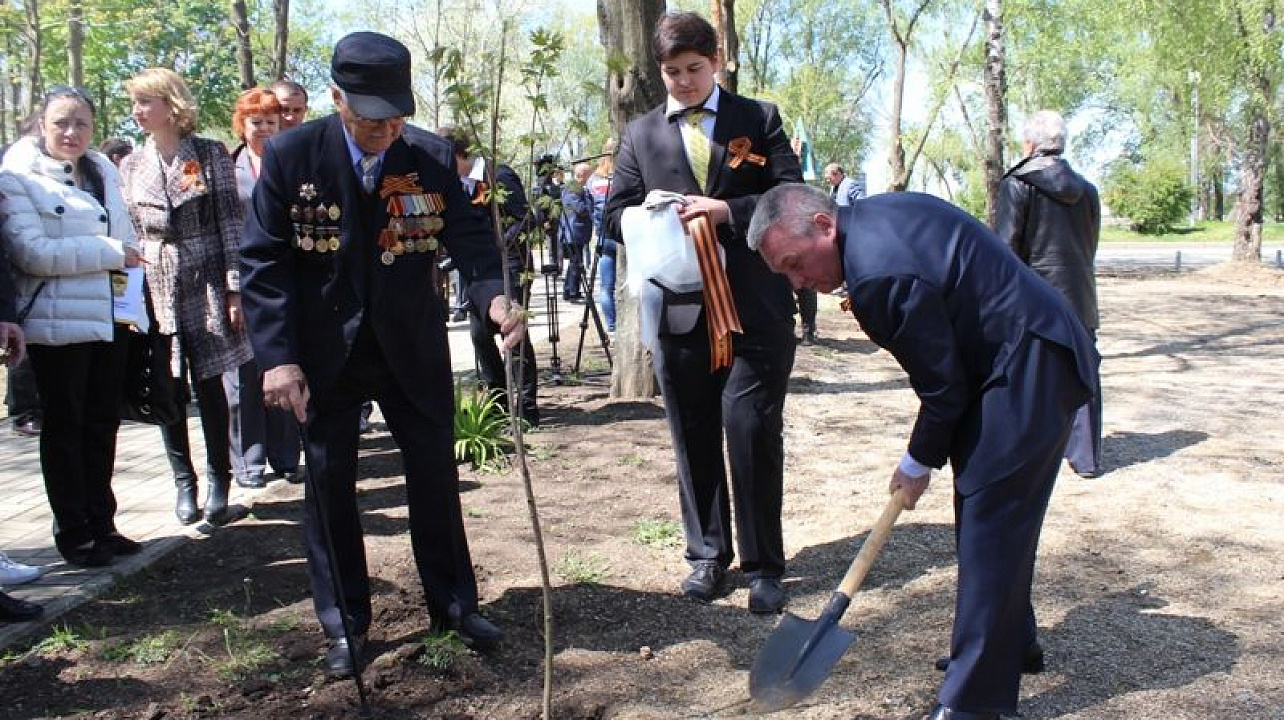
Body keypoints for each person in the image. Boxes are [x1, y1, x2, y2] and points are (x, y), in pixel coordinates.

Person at [747, 183, 1098, 720]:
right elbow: (948, 375)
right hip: (1012, 357)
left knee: (990, 517)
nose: (799, 284)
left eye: (795, 264)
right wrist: (928, 455)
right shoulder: (874, 220)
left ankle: (974, 704)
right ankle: (1011, 643)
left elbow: (942, 388)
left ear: (824, 225)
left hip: (1030, 364)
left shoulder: (879, 276)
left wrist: (916, 463)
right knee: (994, 518)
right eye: (785, 275)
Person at [239, 32, 525, 677]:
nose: (384, 128)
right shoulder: (291, 155)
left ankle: (453, 606)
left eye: (396, 114)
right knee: (330, 486)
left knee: (433, 478)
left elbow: (474, 240)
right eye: (369, 116)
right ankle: (345, 623)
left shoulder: (427, 156)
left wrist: (494, 300)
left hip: (410, 348)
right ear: (337, 98)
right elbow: (262, 263)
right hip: (322, 359)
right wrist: (278, 358)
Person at [603, 11, 802, 615]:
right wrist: (649, 216)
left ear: (716, 61)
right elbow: (613, 214)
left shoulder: (757, 119)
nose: (684, 82)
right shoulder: (640, 136)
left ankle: (765, 565)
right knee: (692, 433)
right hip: (681, 311)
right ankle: (706, 556)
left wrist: (726, 212)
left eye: (694, 69)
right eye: (672, 72)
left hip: (753, 308)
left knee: (750, 431)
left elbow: (788, 194)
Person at [0, 86, 145, 567]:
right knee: (66, 427)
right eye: (61, 121)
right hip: (56, 321)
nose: (71, 132)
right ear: (40, 123)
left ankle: (104, 523)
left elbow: (126, 237)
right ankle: (75, 531)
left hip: (109, 316)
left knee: (102, 424)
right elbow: (31, 253)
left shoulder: (102, 169)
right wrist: (107, 254)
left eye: (81, 123)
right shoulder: (19, 174)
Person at [120, 68, 253, 526]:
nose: (137, 112)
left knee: (212, 383)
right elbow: (131, 230)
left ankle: (221, 480)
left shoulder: (210, 154)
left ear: (170, 105)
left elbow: (230, 225)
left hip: (208, 281)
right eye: (134, 103)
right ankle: (184, 482)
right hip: (157, 285)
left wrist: (235, 289)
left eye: (145, 102)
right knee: (166, 385)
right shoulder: (132, 164)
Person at [995, 109, 1103, 479]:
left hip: (1036, 299)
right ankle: (1085, 457)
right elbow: (1091, 244)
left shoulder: (1017, 184)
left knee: (1029, 376)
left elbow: (1005, 251)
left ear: (1030, 144)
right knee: (1083, 373)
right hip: (1080, 294)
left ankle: (1029, 452)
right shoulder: (1087, 189)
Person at [438, 124, 540, 427]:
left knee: (513, 332)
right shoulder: (457, 184)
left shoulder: (498, 175)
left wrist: (496, 245)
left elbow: (525, 220)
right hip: (477, 273)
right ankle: (498, 403)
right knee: (479, 335)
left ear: (458, 153)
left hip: (510, 266)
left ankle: (525, 407)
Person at [227, 87, 303, 487]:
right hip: (242, 284)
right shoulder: (227, 167)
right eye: (256, 123)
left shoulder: (293, 163)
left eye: (271, 123)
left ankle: (287, 456)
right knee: (243, 377)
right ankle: (249, 461)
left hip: (285, 282)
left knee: (286, 365)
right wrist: (232, 289)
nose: (264, 131)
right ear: (243, 126)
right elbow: (223, 233)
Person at [587, 141, 617, 333]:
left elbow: (590, 210)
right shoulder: (624, 175)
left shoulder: (593, 180)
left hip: (603, 237)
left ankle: (612, 328)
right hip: (623, 236)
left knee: (606, 287)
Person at [560, 162, 593, 302]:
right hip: (573, 231)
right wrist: (591, 207)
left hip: (577, 232)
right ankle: (572, 292)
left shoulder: (580, 188)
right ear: (581, 175)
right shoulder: (572, 188)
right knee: (575, 262)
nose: (590, 178)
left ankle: (570, 290)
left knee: (575, 262)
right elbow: (580, 208)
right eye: (589, 175)